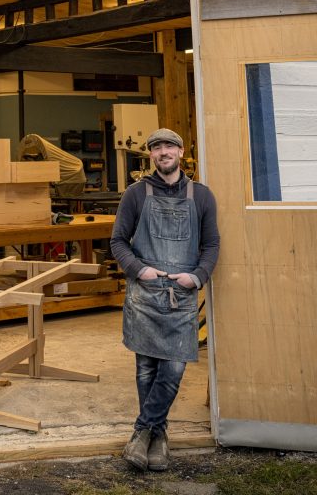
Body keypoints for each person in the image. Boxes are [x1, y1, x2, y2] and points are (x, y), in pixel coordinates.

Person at [110, 128, 220, 473]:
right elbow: (118, 242)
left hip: (181, 296)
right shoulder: (135, 194)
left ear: (181, 151)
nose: (163, 152)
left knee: (172, 371)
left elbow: (212, 245)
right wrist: (138, 270)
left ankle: (143, 430)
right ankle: (158, 439)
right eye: (156, 148)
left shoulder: (201, 196)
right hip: (145, 294)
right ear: (151, 156)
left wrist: (198, 276)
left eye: (169, 146)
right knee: (146, 370)